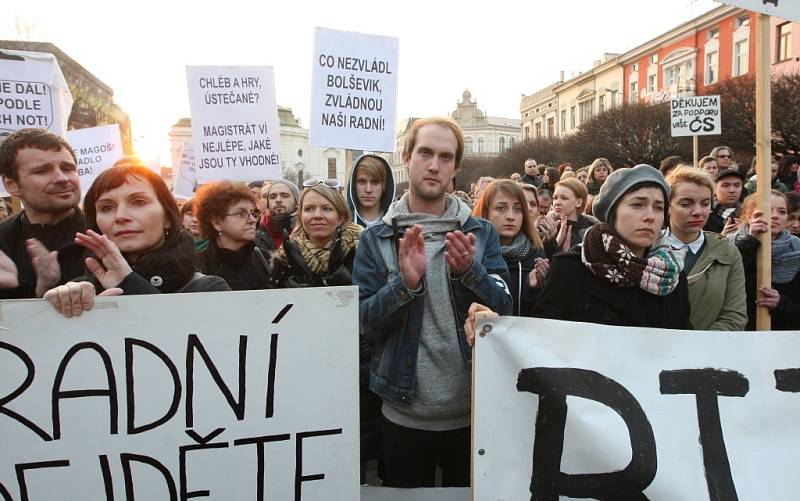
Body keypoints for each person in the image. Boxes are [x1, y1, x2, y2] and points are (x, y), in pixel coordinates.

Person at [353, 116, 511, 488]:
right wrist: (404, 285)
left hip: (473, 414)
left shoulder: (479, 232)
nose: (434, 164)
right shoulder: (377, 238)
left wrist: (471, 273)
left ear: (456, 167)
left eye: (445, 156)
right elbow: (363, 324)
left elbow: (507, 310)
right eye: (425, 152)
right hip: (403, 415)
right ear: (407, 156)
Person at [43, 162, 229, 316]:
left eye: (139, 202)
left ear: (167, 217)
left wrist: (128, 282)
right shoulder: (81, 292)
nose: (120, 216)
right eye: (107, 208)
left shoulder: (208, 289)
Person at [530, 165, 691, 328]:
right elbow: (546, 339)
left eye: (658, 207)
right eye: (637, 205)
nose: (650, 216)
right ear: (612, 213)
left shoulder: (672, 273)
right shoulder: (570, 268)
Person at [0, 128, 86, 299]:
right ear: (12, 185)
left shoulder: (107, 231)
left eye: (68, 168)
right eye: (42, 171)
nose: (62, 178)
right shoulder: (3, 242)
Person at [662, 167, 747, 330]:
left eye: (705, 203)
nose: (698, 212)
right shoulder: (646, 247)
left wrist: (700, 347)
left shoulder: (728, 252)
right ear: (667, 206)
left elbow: (734, 316)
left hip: (709, 351)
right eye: (686, 204)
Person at [473, 180, 547, 316]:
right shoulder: (472, 253)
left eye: (518, 209)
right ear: (485, 211)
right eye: (501, 208)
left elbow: (542, 317)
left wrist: (533, 289)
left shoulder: (536, 253)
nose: (510, 217)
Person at [729, 191, 800, 330]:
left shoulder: (796, 250)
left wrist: (781, 304)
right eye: (768, 210)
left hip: (783, 337)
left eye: (782, 211)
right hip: (740, 334)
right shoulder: (729, 246)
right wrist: (750, 241)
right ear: (750, 216)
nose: (775, 216)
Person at [268, 183, 362, 288]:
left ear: (341, 217)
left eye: (327, 209)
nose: (317, 215)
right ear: (300, 216)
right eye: (309, 209)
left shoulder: (363, 250)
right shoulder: (285, 258)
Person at [194, 181, 270, 291]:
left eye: (253, 213)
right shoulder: (196, 266)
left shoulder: (268, 261)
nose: (252, 220)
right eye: (241, 213)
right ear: (217, 223)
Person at [550, 177, 599, 252]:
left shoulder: (592, 231)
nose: (557, 202)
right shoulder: (547, 228)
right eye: (555, 198)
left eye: (564, 198)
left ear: (579, 202)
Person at [347, 154, 396, 228]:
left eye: (375, 182)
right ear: (354, 185)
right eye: (362, 182)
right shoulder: (341, 224)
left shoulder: (398, 226)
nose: (368, 190)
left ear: (384, 186)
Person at [255, 179, 299, 252]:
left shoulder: (309, 231)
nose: (278, 200)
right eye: (272, 197)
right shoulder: (253, 232)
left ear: (296, 201)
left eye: (284, 196)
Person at [704, 168, 746, 235]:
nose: (732, 190)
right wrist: (722, 237)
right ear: (714, 188)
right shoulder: (704, 213)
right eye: (725, 186)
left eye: (737, 185)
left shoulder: (748, 213)